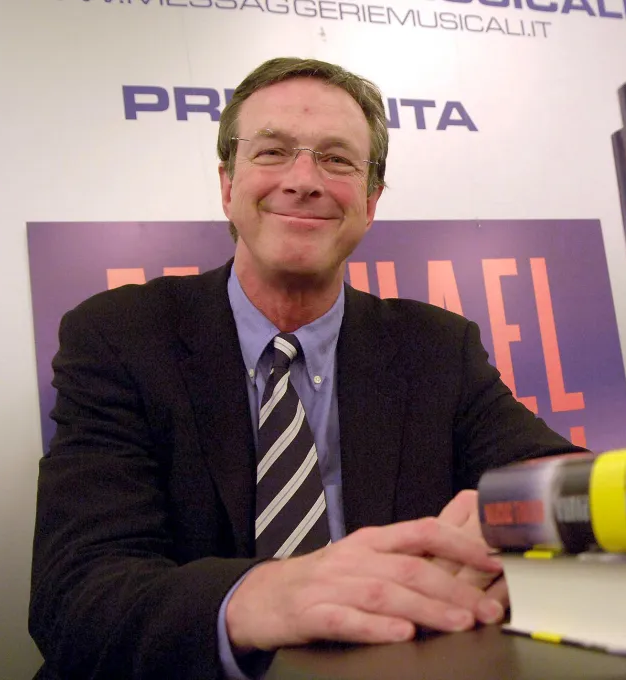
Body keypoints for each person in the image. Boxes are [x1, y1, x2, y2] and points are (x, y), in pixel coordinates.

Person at [29, 57, 585, 680]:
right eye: (271, 152)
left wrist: (520, 511)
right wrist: (265, 597)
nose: (303, 180)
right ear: (227, 185)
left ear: (370, 202)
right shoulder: (118, 336)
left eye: (337, 159)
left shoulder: (436, 345)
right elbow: (75, 597)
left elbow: (560, 474)